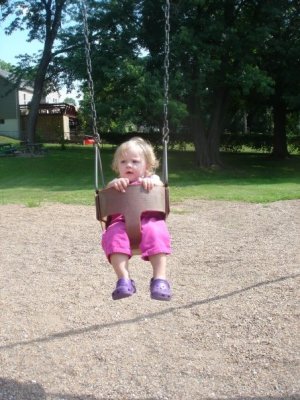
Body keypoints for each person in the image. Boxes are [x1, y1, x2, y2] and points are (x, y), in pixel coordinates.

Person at [101, 137, 172, 301]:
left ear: (147, 165)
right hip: (120, 222)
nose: (128, 165)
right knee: (112, 236)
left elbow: (160, 185)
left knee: (157, 232)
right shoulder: (117, 183)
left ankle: (160, 279)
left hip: (150, 220)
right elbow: (108, 189)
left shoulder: (152, 180)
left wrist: (152, 182)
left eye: (135, 161)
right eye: (123, 161)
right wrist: (114, 184)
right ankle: (123, 279)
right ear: (117, 166)